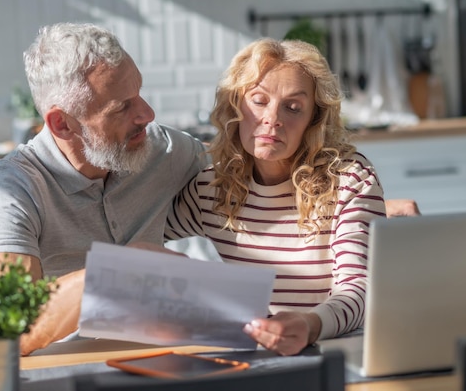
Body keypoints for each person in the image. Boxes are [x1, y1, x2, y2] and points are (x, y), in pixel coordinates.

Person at [0, 22, 208, 355]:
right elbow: (11, 327)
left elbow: (243, 173)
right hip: (67, 369)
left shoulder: (162, 149)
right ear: (62, 123)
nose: (147, 114)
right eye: (121, 108)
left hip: (165, 356)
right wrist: (120, 272)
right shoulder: (13, 188)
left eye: (138, 93)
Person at [164, 38, 386, 356]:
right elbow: (138, 237)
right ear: (236, 106)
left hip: (334, 353)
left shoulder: (349, 178)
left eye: (293, 107)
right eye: (258, 100)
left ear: (314, 119)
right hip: (251, 356)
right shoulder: (212, 189)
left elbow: (359, 289)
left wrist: (310, 324)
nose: (272, 118)